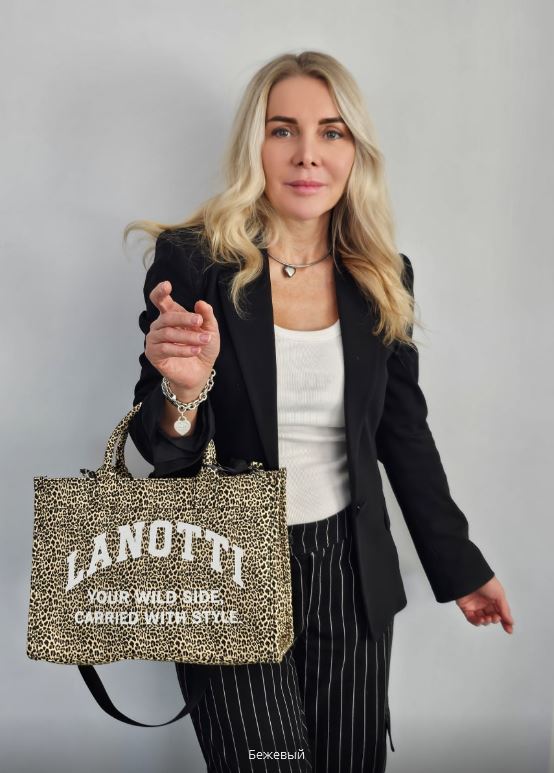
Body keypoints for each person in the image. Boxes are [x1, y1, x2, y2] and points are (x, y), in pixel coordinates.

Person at [125, 50, 515, 773]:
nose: (308, 154)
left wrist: (458, 564)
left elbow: (403, 433)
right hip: (224, 564)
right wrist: (184, 389)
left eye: (331, 132)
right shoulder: (192, 261)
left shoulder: (382, 275)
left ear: (354, 151)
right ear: (255, 145)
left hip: (349, 571)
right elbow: (161, 448)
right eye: (284, 130)